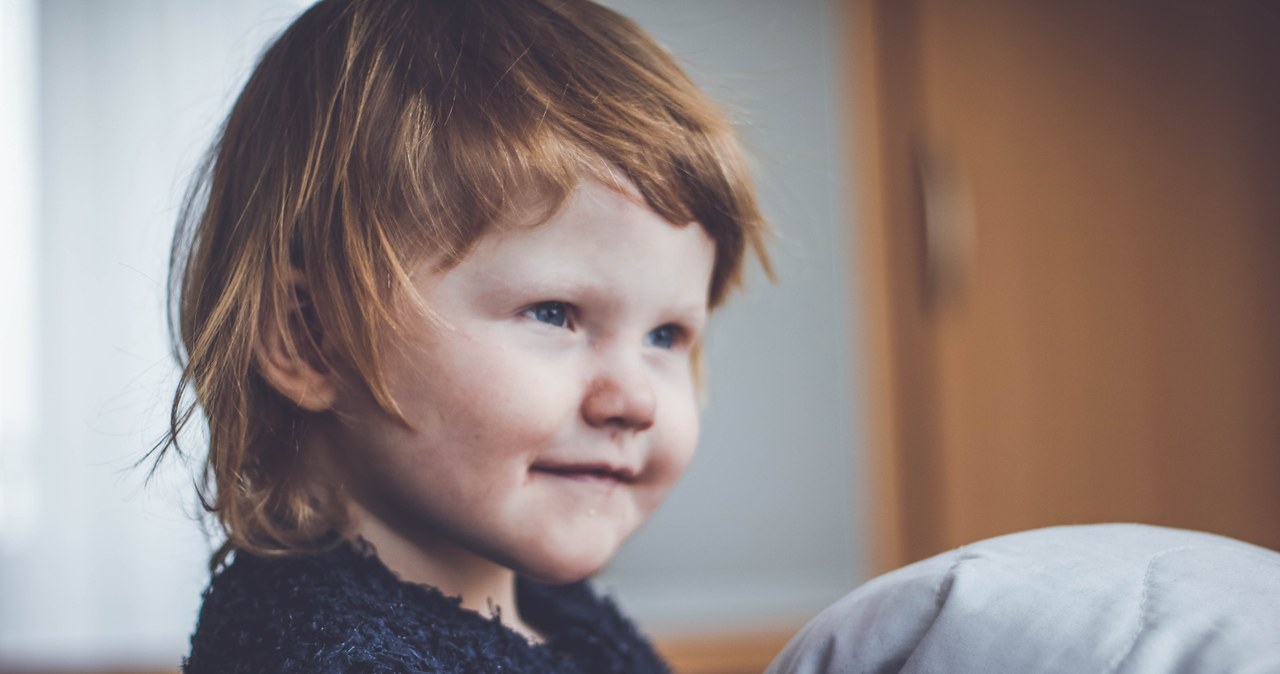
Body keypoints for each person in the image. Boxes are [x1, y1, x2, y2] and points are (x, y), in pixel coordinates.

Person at [152, 0, 772, 671]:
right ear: (311, 338)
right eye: (554, 313)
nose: (634, 401)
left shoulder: (562, 620)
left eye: (666, 336)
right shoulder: (324, 655)